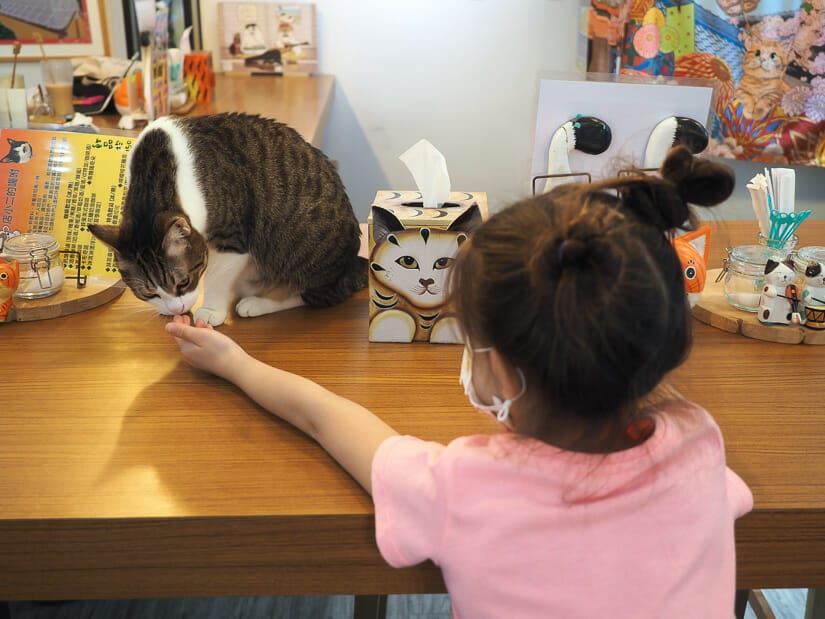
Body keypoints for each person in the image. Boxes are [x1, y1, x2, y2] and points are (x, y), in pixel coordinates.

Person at [165, 146, 753, 618]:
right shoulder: (698, 442)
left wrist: (235, 365)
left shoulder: (467, 485)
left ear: (498, 369)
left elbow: (325, 417)